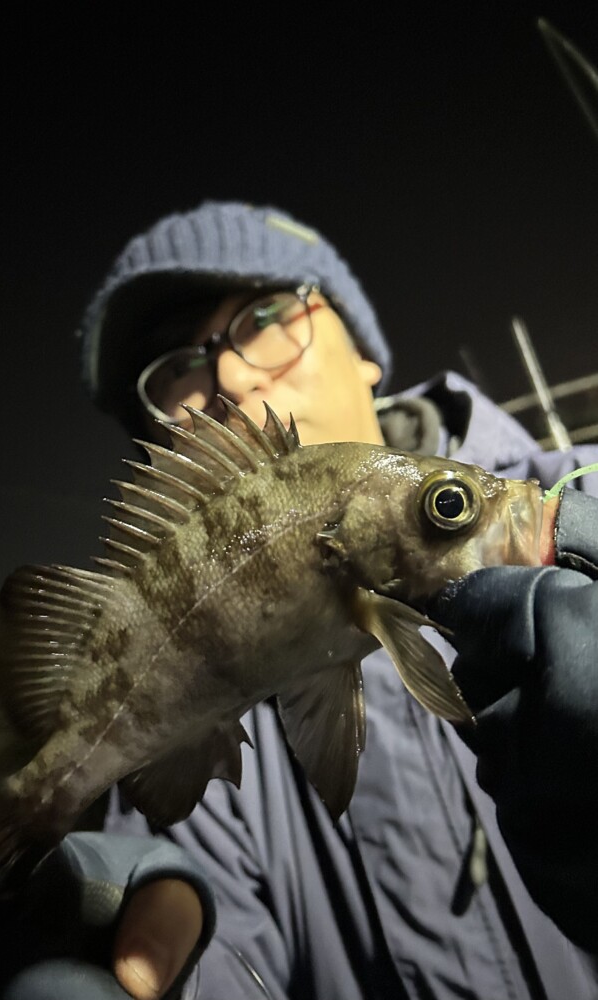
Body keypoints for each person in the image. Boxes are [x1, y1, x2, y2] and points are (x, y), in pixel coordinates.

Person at [76, 200, 598, 998]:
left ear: (362, 350)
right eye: (175, 367)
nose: (229, 374)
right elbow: (212, 939)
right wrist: (169, 911)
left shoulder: (585, 493)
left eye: (265, 315)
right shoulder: (191, 721)